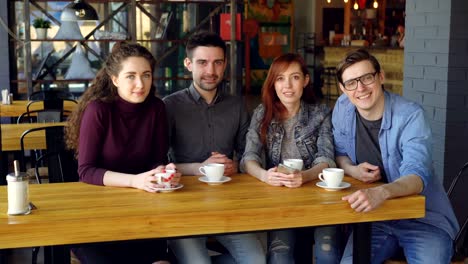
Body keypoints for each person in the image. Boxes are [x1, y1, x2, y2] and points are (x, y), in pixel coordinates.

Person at [332, 49, 459, 264]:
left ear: (380, 77)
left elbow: (417, 177)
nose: (360, 88)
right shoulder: (343, 108)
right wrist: (353, 170)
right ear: (343, 89)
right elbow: (341, 153)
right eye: (351, 83)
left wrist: (379, 193)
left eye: (367, 78)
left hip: (423, 220)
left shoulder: (410, 116)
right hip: (374, 218)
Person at [65, 42, 180, 264]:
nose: (140, 84)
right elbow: (86, 172)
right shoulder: (98, 110)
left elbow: (157, 160)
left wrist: (164, 172)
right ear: (115, 79)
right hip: (96, 219)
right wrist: (135, 181)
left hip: (143, 215)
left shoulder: (156, 108)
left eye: (146, 75)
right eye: (131, 76)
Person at [163, 31, 265, 263]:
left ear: (225, 64)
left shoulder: (236, 105)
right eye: (202, 62)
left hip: (226, 204)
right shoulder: (169, 106)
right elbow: (159, 165)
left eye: (217, 62)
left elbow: (249, 154)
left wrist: (235, 166)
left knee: (257, 259)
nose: (211, 71)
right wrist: (201, 168)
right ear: (188, 64)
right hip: (181, 206)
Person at [241, 53, 342, 264]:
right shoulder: (262, 113)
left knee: (327, 253)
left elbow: (326, 157)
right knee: (280, 255)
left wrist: (305, 176)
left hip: (319, 199)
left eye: (295, 77)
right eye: (280, 78)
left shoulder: (320, 114)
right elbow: (248, 157)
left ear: (305, 80)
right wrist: (264, 176)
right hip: (281, 200)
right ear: (273, 83)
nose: (287, 85)